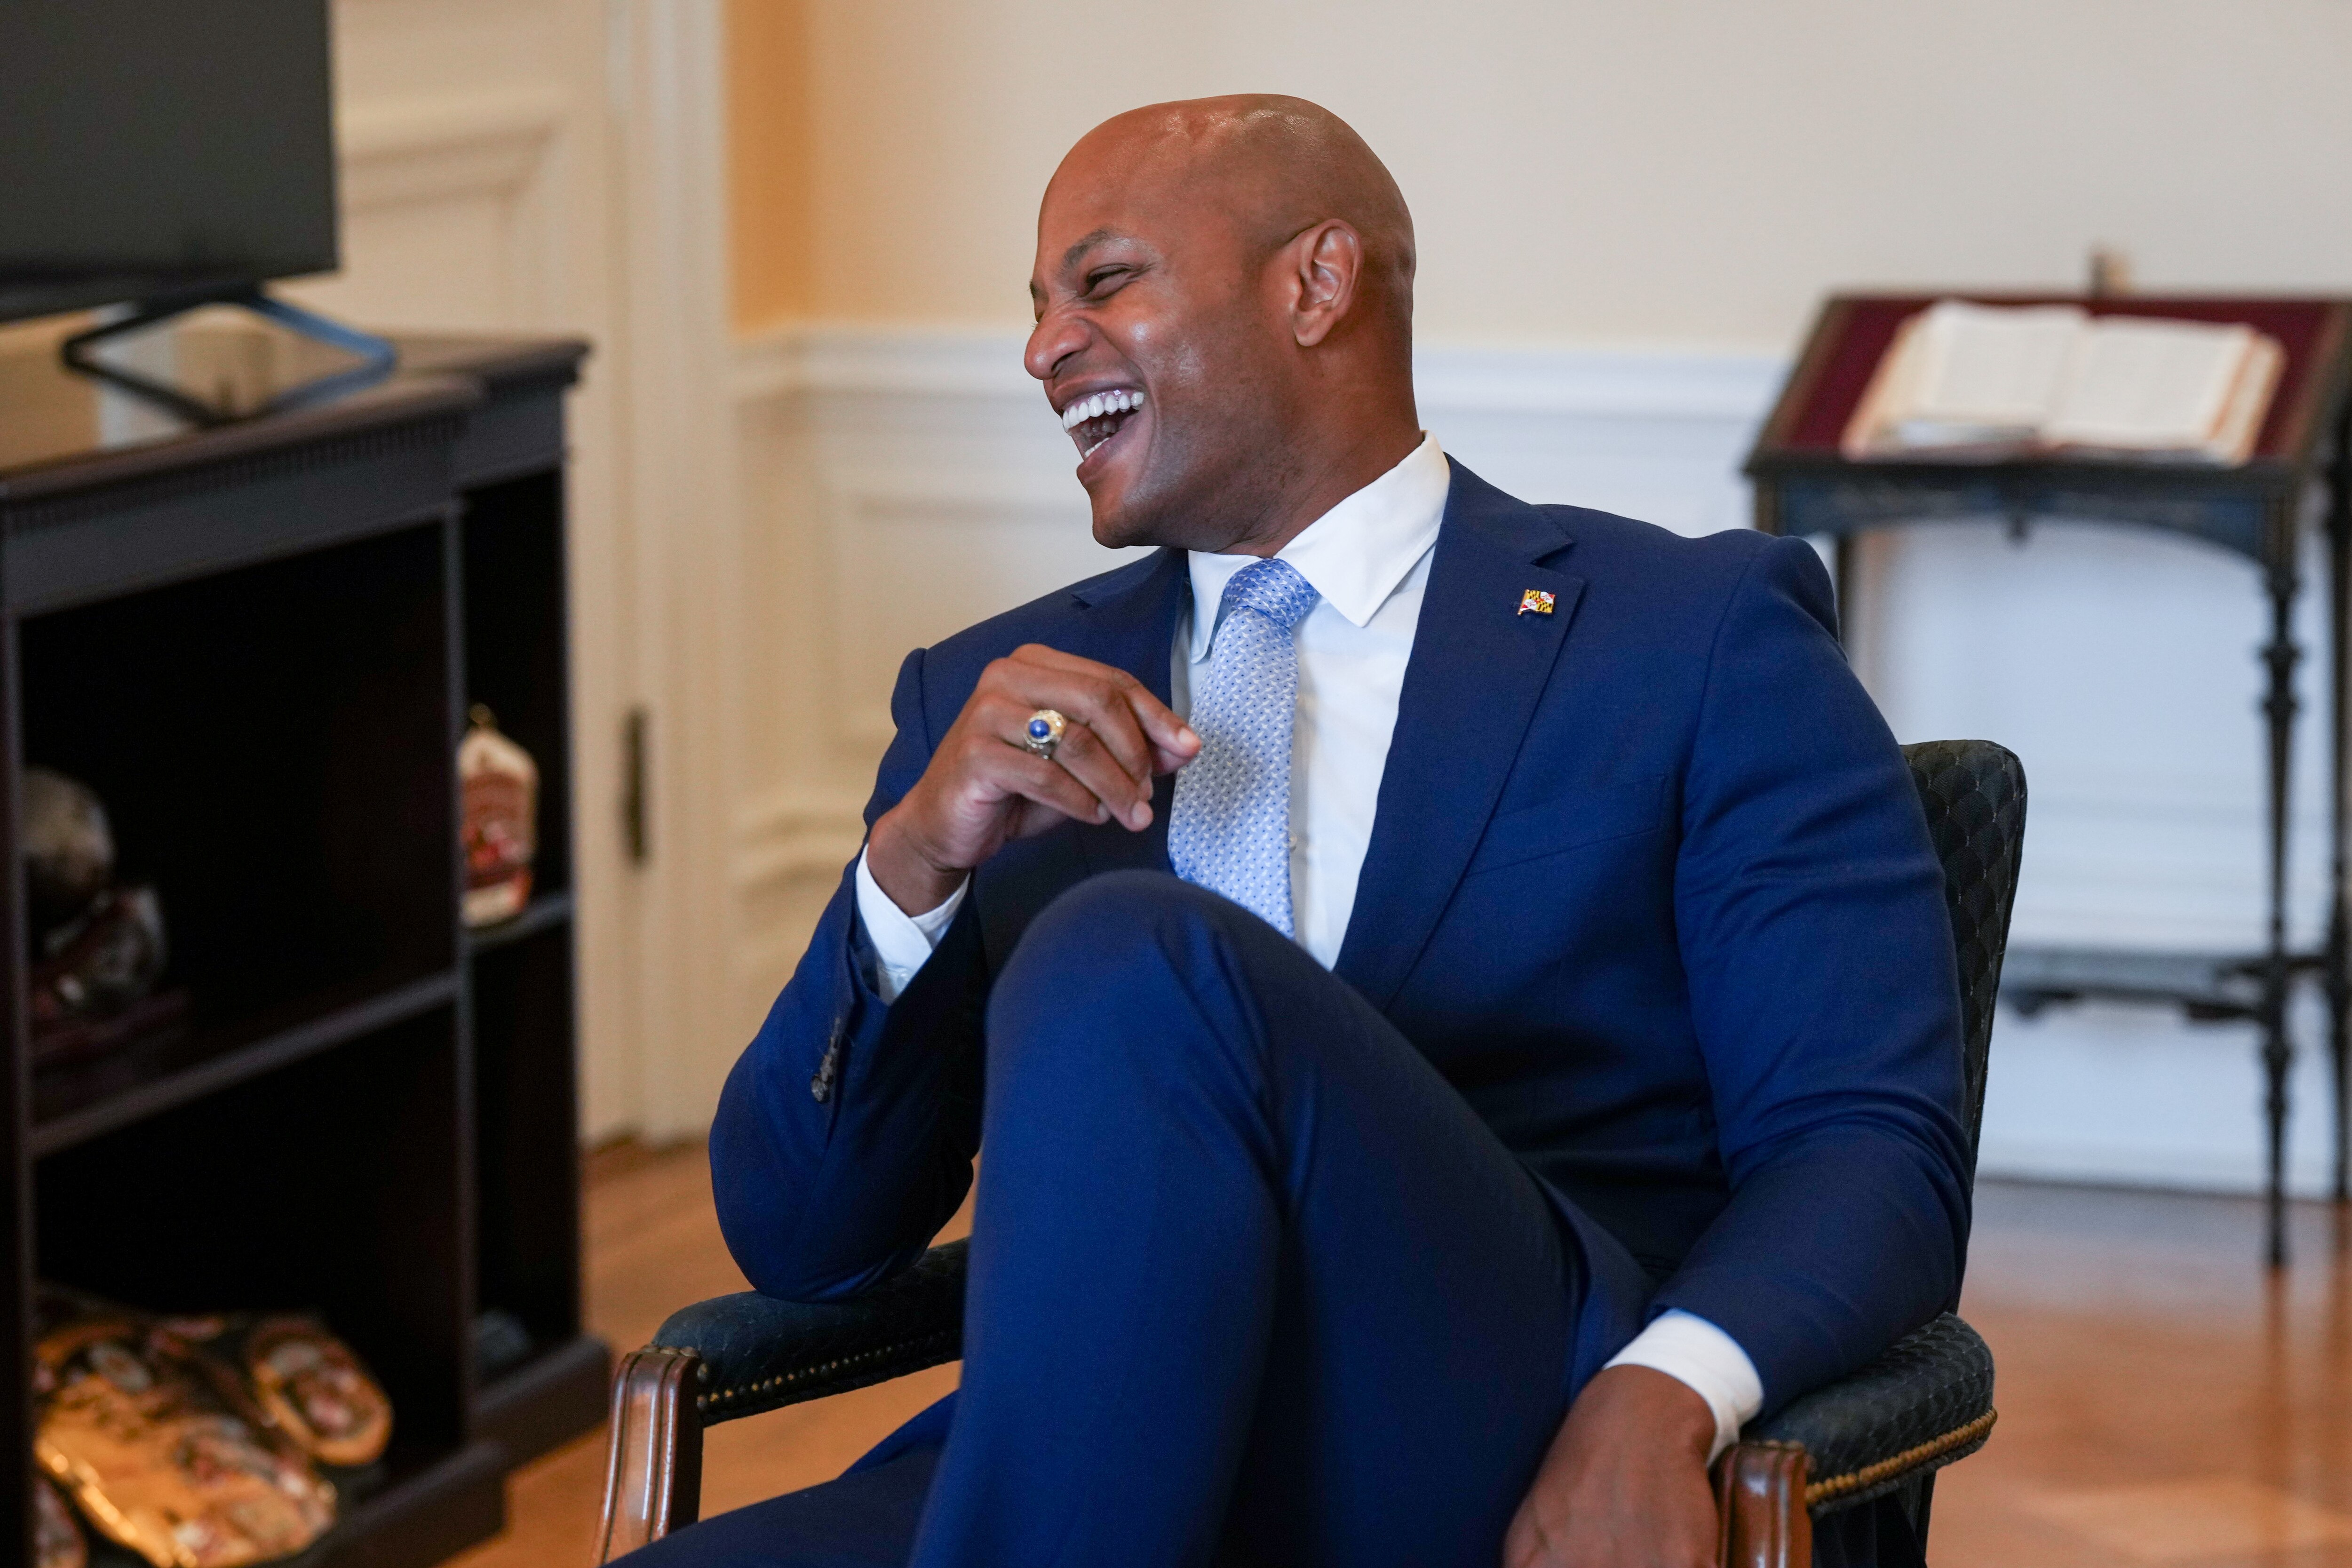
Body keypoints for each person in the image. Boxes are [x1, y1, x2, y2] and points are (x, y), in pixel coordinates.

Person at [641, 95, 1969, 1568]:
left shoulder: (1691, 636)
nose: (1040, 350)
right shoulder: (987, 704)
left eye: (1102, 282)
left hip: (1496, 1430)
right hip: (1084, 1454)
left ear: (1317, 285)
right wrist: (914, 863)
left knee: (1133, 956)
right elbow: (803, 1241)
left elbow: (1867, 1142)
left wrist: (1660, 1398)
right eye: (1031, 309)